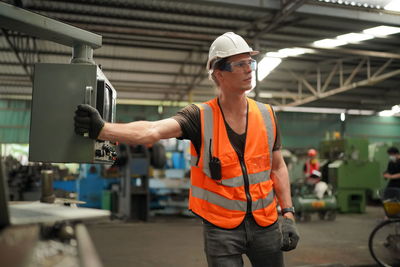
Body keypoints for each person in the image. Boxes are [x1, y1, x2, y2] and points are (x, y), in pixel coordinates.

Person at [74, 32, 299, 267]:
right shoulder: (199, 117)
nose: (249, 69)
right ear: (219, 73)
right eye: (240, 64)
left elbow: (278, 167)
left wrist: (288, 214)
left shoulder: (267, 115)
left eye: (250, 62)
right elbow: (152, 130)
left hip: (266, 224)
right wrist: (102, 130)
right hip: (221, 230)